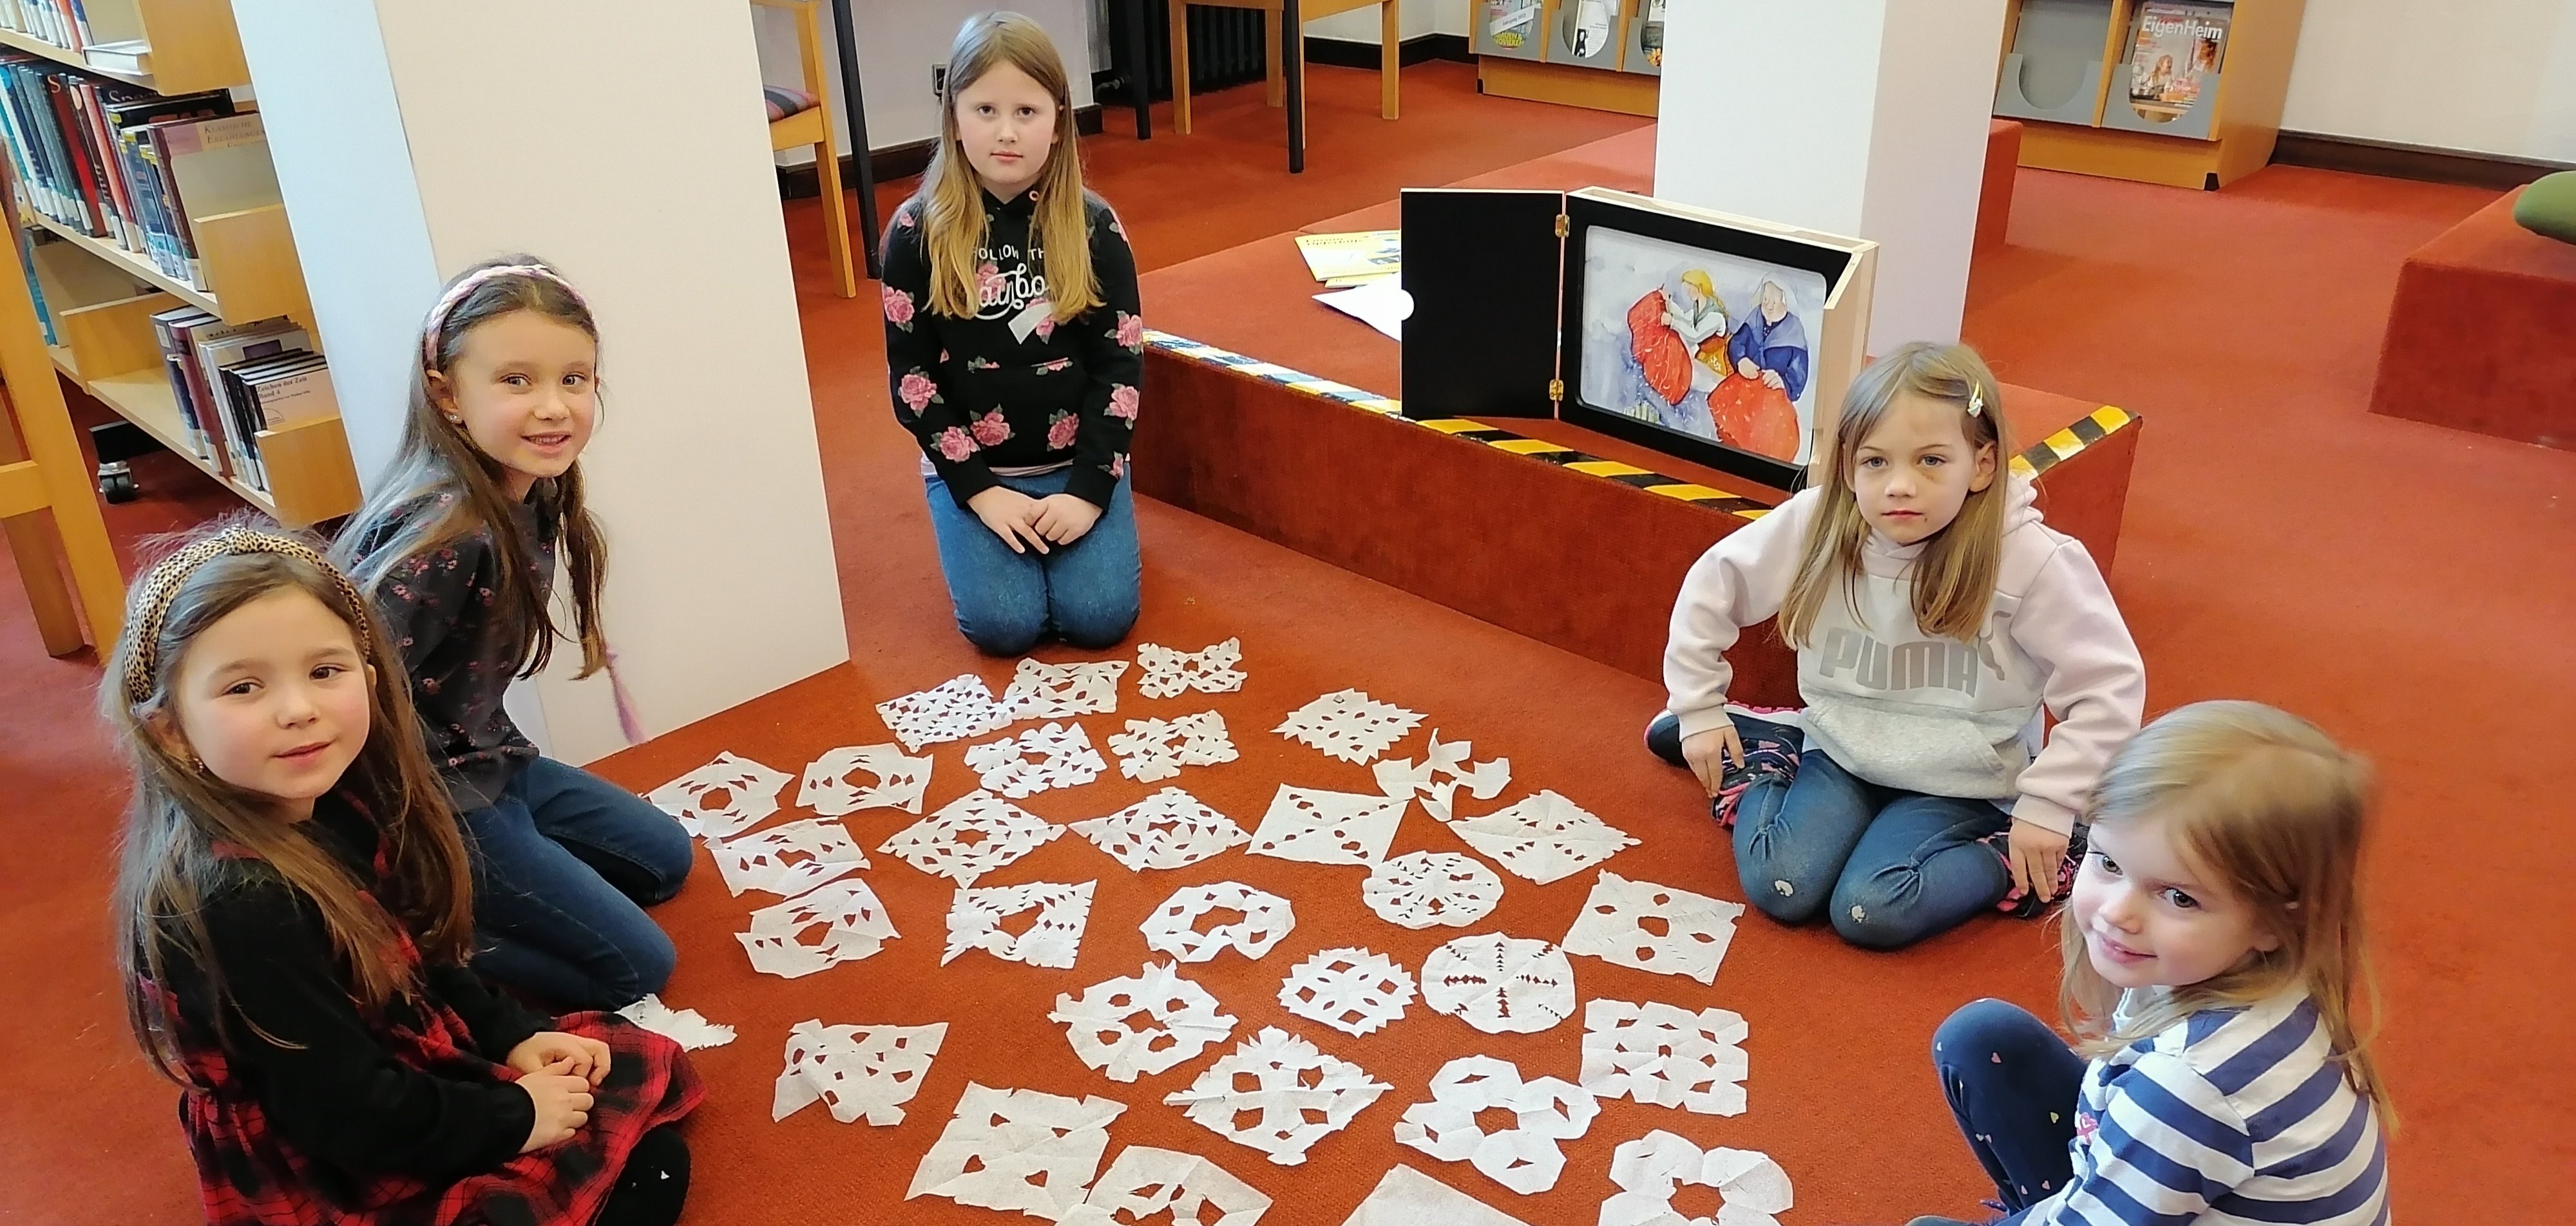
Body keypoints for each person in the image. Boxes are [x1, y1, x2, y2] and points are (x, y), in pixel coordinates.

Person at [103, 522, 700, 1226]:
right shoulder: (240, 901)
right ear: (170, 728)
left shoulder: (339, 801)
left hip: (385, 1062)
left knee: (621, 1068)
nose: (299, 709)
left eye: (325, 671)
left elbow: (423, 957)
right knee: (630, 1168)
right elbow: (347, 1113)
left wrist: (508, 1033)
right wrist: (513, 1115)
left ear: (372, 679)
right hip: (339, 1139)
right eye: (243, 686)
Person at [1648, 342, 2146, 948]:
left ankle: (2033, 850)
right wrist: (1697, 705)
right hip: (1842, 750)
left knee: (1872, 910)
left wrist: (2050, 803)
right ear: (1850, 465)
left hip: (1962, 782)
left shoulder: (2032, 561)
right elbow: (1713, 583)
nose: (1899, 486)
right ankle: (1769, 748)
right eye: (1875, 462)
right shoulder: (1818, 523)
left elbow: (2108, 687)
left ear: (1983, 464)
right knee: (1784, 886)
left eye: (1932, 460)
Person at [335, 256, 692, 1011]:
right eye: (516, 381)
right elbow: (347, 693)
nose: (555, 407)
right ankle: (408, 932)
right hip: (428, 799)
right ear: (448, 395)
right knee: (637, 968)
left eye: (575, 378)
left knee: (664, 861)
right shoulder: (445, 533)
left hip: (489, 757)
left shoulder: (531, 489)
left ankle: (495, 875)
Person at [1909, 701, 2390, 1225]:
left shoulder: (2189, 1085)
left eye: (2179, 898)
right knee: (1982, 1038)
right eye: (2109, 862)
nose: (2118, 913)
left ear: (2276, 923)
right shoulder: (2253, 973)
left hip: (2170, 1144)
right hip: (2169, 1166)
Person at [881, 10, 1145, 656]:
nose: (1005, 132)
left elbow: (1122, 368)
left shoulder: (1094, 227)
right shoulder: (916, 233)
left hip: (1075, 463)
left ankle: (1094, 531)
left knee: (1099, 618)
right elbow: (913, 381)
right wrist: (980, 491)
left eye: (1027, 112)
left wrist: (1088, 493)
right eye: (986, 110)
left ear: (1058, 121)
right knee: (1004, 627)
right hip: (974, 468)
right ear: (954, 118)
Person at [1726, 280, 1810, 402]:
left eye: (1775, 302)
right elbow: (1737, 343)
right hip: (1745, 392)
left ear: (1786, 302)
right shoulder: (1755, 317)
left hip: (1773, 401)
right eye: (1766, 299)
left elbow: (1798, 376)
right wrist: (1741, 360)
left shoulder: (1794, 331)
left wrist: (1782, 383)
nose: (1769, 306)